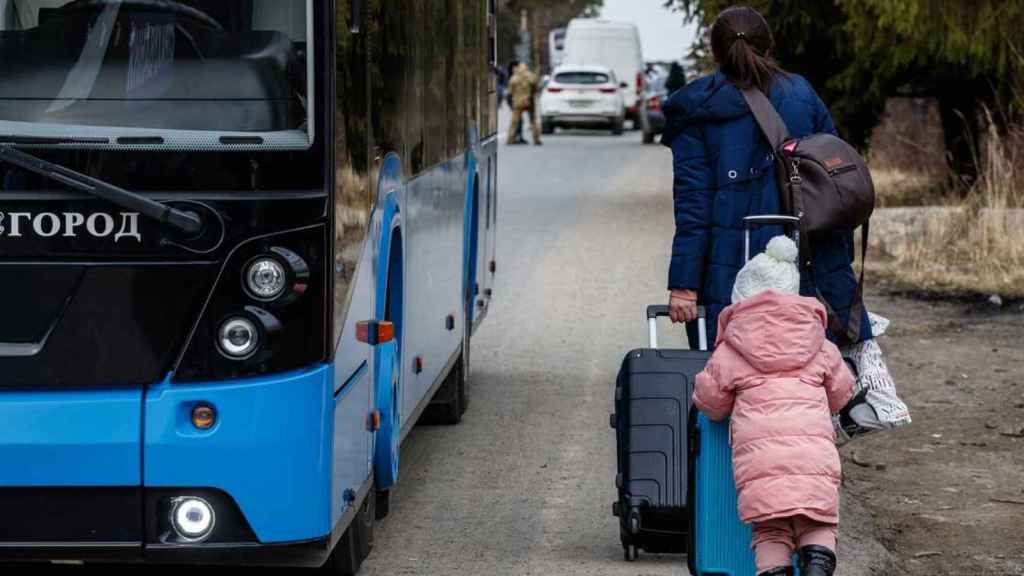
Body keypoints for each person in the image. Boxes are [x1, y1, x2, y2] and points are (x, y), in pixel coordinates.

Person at [661, 5, 872, 350]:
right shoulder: (802, 93)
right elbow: (837, 185)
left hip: (730, 269)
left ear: (716, 53)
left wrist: (684, 286)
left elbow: (693, 206)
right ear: (768, 46)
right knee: (812, 367)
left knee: (735, 371)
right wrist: (838, 260)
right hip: (807, 257)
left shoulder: (696, 110)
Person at [693, 236, 854, 576]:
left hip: (761, 462)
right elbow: (842, 393)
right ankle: (818, 567)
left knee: (770, 530)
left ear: (742, 300)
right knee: (818, 520)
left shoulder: (732, 350)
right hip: (813, 457)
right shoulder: (820, 344)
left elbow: (712, 405)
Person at [507, 63, 542, 146]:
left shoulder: (514, 78)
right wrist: (532, 94)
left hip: (517, 102)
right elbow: (536, 88)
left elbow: (510, 91)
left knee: (514, 122)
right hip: (529, 101)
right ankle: (536, 139)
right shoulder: (531, 76)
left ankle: (510, 139)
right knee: (533, 121)